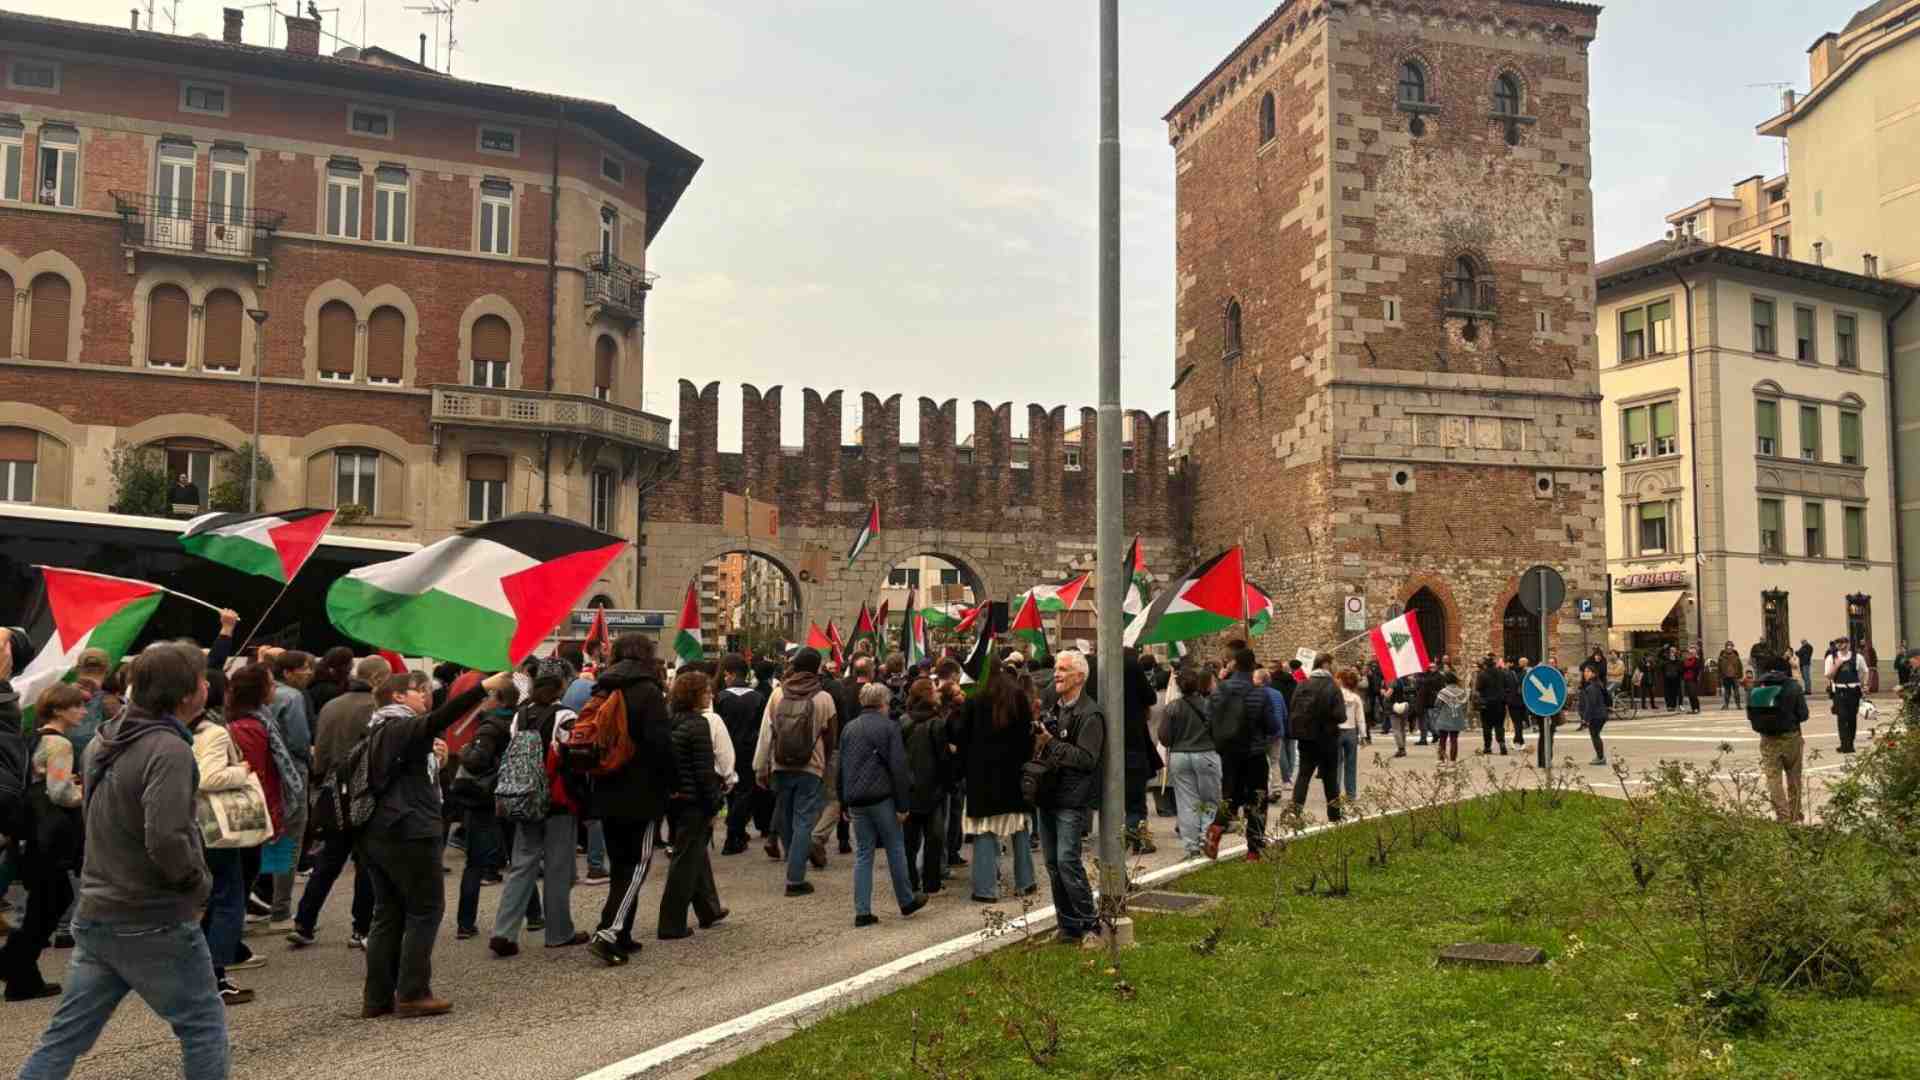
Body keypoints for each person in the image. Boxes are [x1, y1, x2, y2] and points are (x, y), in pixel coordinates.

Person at [16, 640, 226, 1079]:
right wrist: (197, 885)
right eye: (202, 678)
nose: (208, 685)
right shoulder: (168, 750)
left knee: (66, 1036)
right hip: (151, 914)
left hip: (99, 910)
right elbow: (166, 836)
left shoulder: (103, 739)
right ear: (188, 692)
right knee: (203, 1025)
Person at [356, 666, 503, 1018]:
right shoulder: (401, 726)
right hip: (408, 830)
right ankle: (412, 992)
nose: (425, 695)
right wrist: (482, 688)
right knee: (425, 910)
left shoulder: (377, 728)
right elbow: (440, 718)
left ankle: (376, 998)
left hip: (376, 830)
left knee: (387, 912)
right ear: (396, 696)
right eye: (416, 690)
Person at [585, 634, 675, 966]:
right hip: (642, 791)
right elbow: (660, 745)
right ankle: (608, 931)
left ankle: (622, 932)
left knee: (620, 863)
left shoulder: (602, 686)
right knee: (636, 866)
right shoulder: (648, 692)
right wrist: (672, 785)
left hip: (607, 787)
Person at [289, 654, 387, 950]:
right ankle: (361, 928)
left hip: (331, 790)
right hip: (364, 792)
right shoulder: (375, 709)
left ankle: (304, 922)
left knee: (329, 861)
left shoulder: (331, 705)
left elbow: (319, 754)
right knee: (366, 863)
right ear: (378, 680)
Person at [0, 684, 86, 1001]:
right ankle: (14, 964)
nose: (83, 711)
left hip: (27, 831)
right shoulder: (59, 744)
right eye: (76, 706)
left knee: (45, 899)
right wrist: (83, 794)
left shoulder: (32, 737)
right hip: (48, 835)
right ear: (59, 710)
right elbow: (60, 791)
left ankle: (19, 970)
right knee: (54, 898)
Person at [835, 682, 927, 927]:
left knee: (864, 854)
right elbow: (898, 767)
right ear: (883, 703)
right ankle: (906, 900)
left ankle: (862, 911)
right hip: (882, 797)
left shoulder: (849, 729)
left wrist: (843, 802)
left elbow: (841, 767)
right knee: (895, 848)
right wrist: (903, 804)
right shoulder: (889, 728)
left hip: (856, 799)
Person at [751, 646, 839, 902]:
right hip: (810, 767)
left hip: (780, 765)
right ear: (816, 669)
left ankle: (793, 861)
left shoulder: (777, 694)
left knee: (787, 817)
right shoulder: (824, 698)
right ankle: (795, 877)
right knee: (803, 821)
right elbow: (831, 737)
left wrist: (761, 766)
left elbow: (766, 733)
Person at [949, 662, 1037, 902]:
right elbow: (1028, 736)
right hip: (1013, 773)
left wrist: (961, 771)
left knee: (984, 831)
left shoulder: (974, 700)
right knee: (1019, 827)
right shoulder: (1017, 695)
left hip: (981, 776)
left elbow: (962, 738)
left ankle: (986, 889)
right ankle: (1026, 882)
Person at [1034, 651, 1103, 946]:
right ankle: (1067, 926)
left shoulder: (1091, 714)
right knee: (1051, 863)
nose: (1057, 674)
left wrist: (1052, 743)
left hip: (1071, 799)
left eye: (1063, 669)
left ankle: (1092, 926)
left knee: (1066, 861)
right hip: (1047, 794)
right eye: (1055, 669)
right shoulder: (1053, 708)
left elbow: (1087, 759)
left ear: (1080, 676)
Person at [658, 671, 727, 939]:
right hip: (694, 800)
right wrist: (714, 804)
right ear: (694, 695)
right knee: (685, 862)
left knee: (694, 854)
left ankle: (708, 909)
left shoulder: (670, 719)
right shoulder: (698, 724)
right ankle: (671, 923)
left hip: (675, 798)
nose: (710, 695)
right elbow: (704, 771)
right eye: (706, 691)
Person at [451, 681, 521, 939]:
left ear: (497, 698)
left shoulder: (490, 726)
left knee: (475, 862)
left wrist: (466, 751)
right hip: (512, 793)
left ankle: (465, 922)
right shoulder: (520, 721)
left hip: (484, 798)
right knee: (518, 858)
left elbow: (476, 761)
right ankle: (535, 914)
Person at [1206, 648, 1267, 861]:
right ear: (1253, 666)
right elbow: (1273, 725)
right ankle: (1253, 850)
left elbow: (1209, 720)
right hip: (1255, 752)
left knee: (1230, 795)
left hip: (1229, 753)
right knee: (1257, 800)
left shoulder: (1219, 691)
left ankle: (1216, 827)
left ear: (1234, 664)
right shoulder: (1260, 692)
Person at [897, 677, 952, 893]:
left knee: (909, 842)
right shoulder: (937, 723)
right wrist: (949, 783)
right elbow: (943, 758)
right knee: (934, 839)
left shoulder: (903, 721)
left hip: (909, 788)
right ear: (928, 695)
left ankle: (911, 881)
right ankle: (931, 882)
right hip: (933, 789)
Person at [1159, 668, 1218, 860]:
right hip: (1206, 753)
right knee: (1209, 799)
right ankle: (1206, 838)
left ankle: (1191, 846)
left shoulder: (1172, 707)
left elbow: (1165, 738)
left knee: (1186, 802)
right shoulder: (1209, 705)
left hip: (1180, 755)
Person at [1747, 655, 1809, 823]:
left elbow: (1750, 715)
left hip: (1768, 739)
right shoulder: (1792, 686)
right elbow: (1804, 715)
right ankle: (1795, 813)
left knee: (1773, 778)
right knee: (1794, 777)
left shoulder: (1756, 686)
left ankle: (1783, 815)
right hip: (1791, 737)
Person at [1288, 653, 1344, 822]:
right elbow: (1340, 715)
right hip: (1327, 739)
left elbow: (1293, 708)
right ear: (1326, 665)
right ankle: (1334, 816)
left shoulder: (1302, 684)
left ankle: (1294, 813)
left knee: (1303, 776)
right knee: (1330, 778)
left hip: (1306, 738)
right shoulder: (1332, 687)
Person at [1120, 648, 1161, 855]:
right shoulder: (1130, 666)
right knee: (1136, 800)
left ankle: (1129, 835)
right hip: (1133, 744)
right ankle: (1137, 838)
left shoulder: (1095, 667)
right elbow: (1150, 697)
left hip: (1108, 745)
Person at [1252, 668, 1292, 798]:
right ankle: (1277, 788)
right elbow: (1285, 714)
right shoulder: (1277, 693)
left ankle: (1262, 790)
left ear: (1259, 680)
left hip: (1262, 733)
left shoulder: (1255, 694)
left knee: (1261, 762)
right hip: (1277, 732)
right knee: (1275, 761)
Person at [1825, 638, 1863, 754]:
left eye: (1843, 643)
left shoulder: (1857, 657)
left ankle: (1850, 744)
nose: (1840, 645)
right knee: (1842, 717)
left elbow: (1865, 671)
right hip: (1839, 691)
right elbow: (1828, 676)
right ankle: (1844, 744)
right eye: (1838, 643)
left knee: (1852, 718)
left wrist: (1864, 684)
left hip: (1854, 691)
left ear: (1848, 644)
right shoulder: (1831, 657)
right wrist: (1836, 665)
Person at [1335, 668, 1366, 795]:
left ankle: (1335, 793)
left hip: (1337, 731)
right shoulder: (1355, 697)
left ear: (1341, 680)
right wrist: (1363, 735)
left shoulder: (1335, 695)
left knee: (1336, 765)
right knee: (1351, 765)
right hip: (1351, 731)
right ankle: (1351, 793)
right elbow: (1361, 718)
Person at [1429, 671, 1466, 763]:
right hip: (1457, 718)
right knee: (1454, 739)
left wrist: (1435, 716)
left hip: (1444, 717)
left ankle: (1441, 760)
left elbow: (1437, 705)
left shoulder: (1443, 692)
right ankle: (1453, 760)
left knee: (1442, 739)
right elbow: (1465, 705)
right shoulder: (1461, 692)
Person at [1474, 656, 1508, 756]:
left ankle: (1487, 747)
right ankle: (1502, 744)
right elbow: (1506, 686)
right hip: (1500, 703)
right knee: (1499, 725)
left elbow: (1478, 688)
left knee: (1486, 726)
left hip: (1487, 703)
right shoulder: (1502, 673)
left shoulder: (1482, 674)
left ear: (1485, 664)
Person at [1577, 666, 1610, 765]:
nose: (1585, 673)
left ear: (1594, 673)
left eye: (1588, 671)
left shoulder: (1592, 687)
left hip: (1596, 715)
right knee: (1596, 735)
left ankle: (1600, 757)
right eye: (1585, 671)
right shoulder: (1597, 684)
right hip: (1600, 714)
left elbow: (1591, 704)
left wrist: (1586, 719)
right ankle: (1600, 756)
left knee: (1595, 736)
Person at [1506, 658, 1530, 747]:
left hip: (1512, 701)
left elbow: (1507, 687)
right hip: (1523, 701)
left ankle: (1519, 740)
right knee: (1520, 721)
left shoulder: (1510, 673)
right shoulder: (1527, 674)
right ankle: (1518, 739)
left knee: (1516, 722)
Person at [1715, 641, 1744, 710]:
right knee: (1727, 691)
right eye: (1728, 646)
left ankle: (1738, 705)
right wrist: (1719, 677)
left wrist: (1740, 676)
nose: (1729, 648)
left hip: (1735, 676)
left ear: (1732, 647)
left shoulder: (1736, 656)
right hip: (1726, 677)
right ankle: (1726, 705)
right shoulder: (1721, 657)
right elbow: (1719, 668)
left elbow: (1740, 667)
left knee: (1736, 692)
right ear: (1725, 648)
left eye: (1730, 646)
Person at [1680, 646, 1702, 714]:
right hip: (1686, 679)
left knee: (1693, 694)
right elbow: (1682, 669)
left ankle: (1696, 708)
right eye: (1689, 653)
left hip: (1693, 679)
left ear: (1695, 653)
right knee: (1690, 695)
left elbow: (1698, 669)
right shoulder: (1685, 660)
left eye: (1692, 653)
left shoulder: (1696, 660)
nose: (1690, 654)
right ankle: (1693, 708)